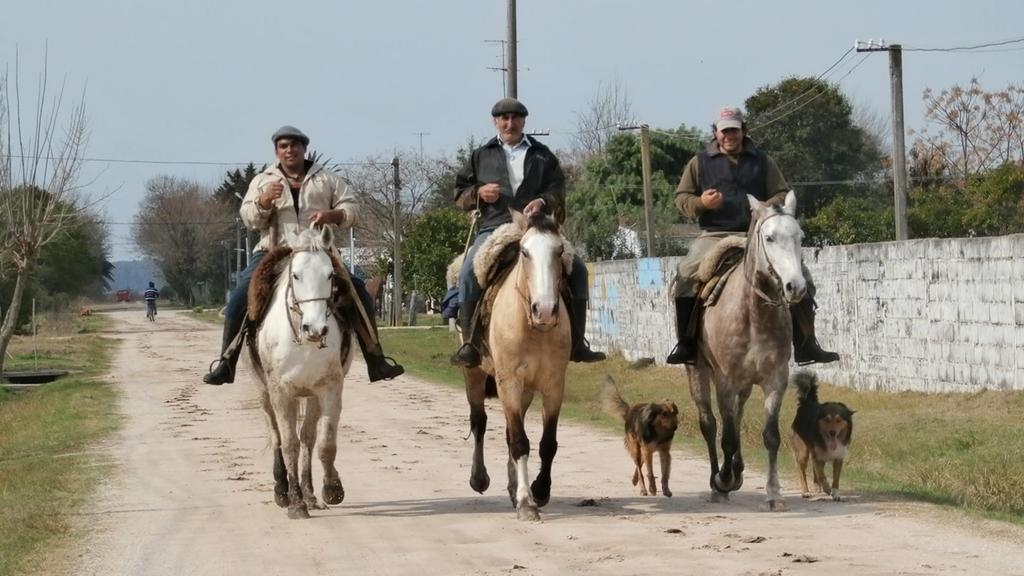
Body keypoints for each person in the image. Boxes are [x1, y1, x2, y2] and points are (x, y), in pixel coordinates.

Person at [202, 125, 404, 385]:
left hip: (317, 251)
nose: (290, 150)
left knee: (357, 290)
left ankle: (376, 359)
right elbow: (248, 219)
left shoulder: (327, 179)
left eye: (295, 145)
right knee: (241, 293)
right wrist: (263, 201)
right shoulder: (263, 180)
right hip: (273, 252)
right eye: (284, 146)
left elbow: (353, 208)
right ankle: (226, 361)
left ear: (304, 148)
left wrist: (333, 215)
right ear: (277, 151)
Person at [666, 105, 839, 366]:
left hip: (760, 234)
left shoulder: (762, 160)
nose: (729, 136)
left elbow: (782, 192)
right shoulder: (699, 162)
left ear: (743, 130)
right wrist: (701, 203)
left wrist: (763, 210)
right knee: (686, 274)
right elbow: (682, 199)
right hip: (717, 233)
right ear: (716, 133)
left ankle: (806, 344)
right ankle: (686, 344)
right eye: (724, 131)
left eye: (734, 130)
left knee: (801, 277)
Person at [451, 97, 605, 367]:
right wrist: (478, 192)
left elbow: (558, 188)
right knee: (466, 274)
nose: (509, 124)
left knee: (578, 270)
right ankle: (470, 345)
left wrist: (544, 201)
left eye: (515, 118)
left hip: (538, 228)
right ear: (495, 122)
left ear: (524, 121)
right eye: (504, 119)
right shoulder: (480, 155)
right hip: (495, 228)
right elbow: (459, 195)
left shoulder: (542, 154)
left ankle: (577, 344)